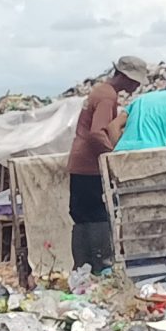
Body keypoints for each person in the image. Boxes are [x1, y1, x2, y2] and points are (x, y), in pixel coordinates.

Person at [67, 53, 150, 269]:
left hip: (80, 162)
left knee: (82, 215)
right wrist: (113, 156)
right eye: (135, 81)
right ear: (125, 77)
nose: (135, 86)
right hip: (90, 165)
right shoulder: (107, 96)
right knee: (97, 214)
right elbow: (97, 133)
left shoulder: (100, 90)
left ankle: (83, 267)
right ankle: (100, 265)